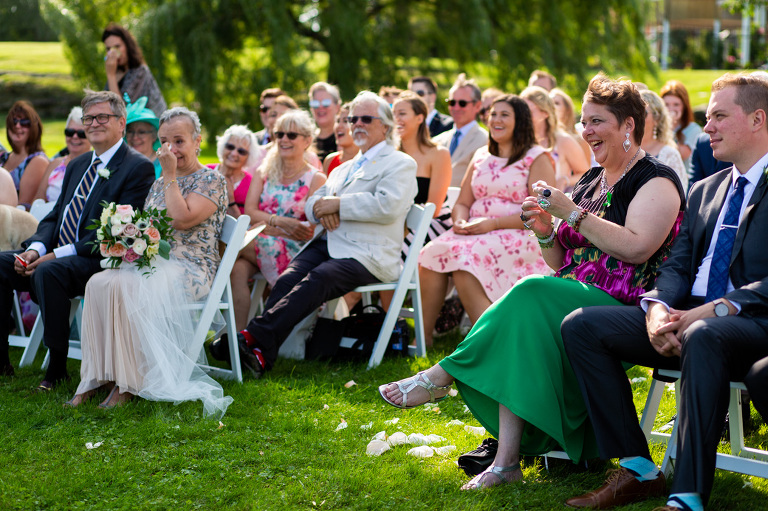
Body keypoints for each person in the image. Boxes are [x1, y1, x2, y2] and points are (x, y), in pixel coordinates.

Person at [380, 74, 685, 491]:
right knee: (524, 323)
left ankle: (442, 375)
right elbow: (560, 258)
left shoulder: (656, 179)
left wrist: (571, 213)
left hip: (626, 308)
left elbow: (637, 249)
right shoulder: (592, 181)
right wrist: (545, 230)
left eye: (597, 122)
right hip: (570, 296)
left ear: (628, 125)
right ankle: (505, 463)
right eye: (583, 121)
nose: (586, 131)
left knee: (529, 290)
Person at [562, 73, 768, 511]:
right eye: (707, 116)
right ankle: (638, 467)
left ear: (757, 119)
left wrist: (712, 310)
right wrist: (657, 309)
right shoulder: (706, 188)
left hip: (750, 323)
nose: (706, 126)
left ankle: (687, 497)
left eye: (718, 116)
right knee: (581, 325)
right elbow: (677, 265)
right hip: (684, 318)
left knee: (704, 335)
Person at [220, 91, 416, 378]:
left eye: (365, 119)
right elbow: (311, 205)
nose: (357, 124)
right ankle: (261, 355)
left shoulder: (400, 163)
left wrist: (338, 205)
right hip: (330, 242)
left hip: (368, 253)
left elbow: (387, 205)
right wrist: (325, 207)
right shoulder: (345, 167)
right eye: (353, 119)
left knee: (319, 279)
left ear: (385, 126)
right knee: (287, 278)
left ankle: (251, 338)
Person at [67, 106, 233, 416]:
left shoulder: (211, 180)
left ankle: (129, 382)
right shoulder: (159, 184)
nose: (170, 149)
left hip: (191, 268)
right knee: (99, 282)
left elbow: (182, 219)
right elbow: (150, 227)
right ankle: (98, 375)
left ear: (198, 141)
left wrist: (169, 174)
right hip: (153, 263)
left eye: (179, 141)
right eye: (164, 142)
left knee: (129, 285)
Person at [0, 90, 155, 386]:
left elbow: (117, 233)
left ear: (121, 123)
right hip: (55, 256)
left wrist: (53, 255)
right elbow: (54, 218)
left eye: (102, 117)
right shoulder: (77, 164)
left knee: (49, 270)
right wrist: (34, 249)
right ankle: (1, 360)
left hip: (100, 261)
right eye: (88, 118)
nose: (94, 123)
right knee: (2, 263)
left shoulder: (137, 168)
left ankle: (56, 368)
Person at [417, 94, 556, 348]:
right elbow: (463, 202)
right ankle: (423, 339)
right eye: (493, 114)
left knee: (465, 260)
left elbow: (541, 211)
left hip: (518, 233)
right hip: (474, 232)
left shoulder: (537, 157)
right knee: (430, 254)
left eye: (504, 115)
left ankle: (492, 342)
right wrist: (459, 221)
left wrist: (492, 224)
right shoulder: (481, 155)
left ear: (521, 121)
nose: (496, 120)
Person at [230, 110, 326, 331]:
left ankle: (199, 272)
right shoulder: (264, 172)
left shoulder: (317, 178)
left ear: (307, 141)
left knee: (234, 245)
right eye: (279, 134)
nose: (283, 139)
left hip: (297, 251)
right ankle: (238, 339)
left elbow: (308, 230)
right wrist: (280, 223)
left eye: (291, 135)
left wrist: (266, 226)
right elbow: (250, 212)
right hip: (261, 240)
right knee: (236, 269)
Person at [393, 91, 453, 251]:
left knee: (390, 249)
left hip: (431, 223)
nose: (396, 119)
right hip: (395, 223)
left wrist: (402, 228)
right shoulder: (390, 154)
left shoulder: (438, 154)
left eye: (402, 113)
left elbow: (433, 209)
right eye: (393, 114)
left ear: (420, 118)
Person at [522, 86, 589, 192]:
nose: (522, 115)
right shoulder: (520, 141)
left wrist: (565, 180)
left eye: (528, 111)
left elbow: (586, 174)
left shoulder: (563, 141)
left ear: (545, 113)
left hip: (553, 203)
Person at [434, 74, 489, 186]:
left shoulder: (485, 140)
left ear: (478, 106)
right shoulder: (438, 140)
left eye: (462, 103)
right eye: (452, 102)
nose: (456, 108)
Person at [102, 23, 166, 116]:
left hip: (150, 128)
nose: (113, 52)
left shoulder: (140, 72)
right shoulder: (115, 73)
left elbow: (123, 111)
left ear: (127, 46)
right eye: (109, 49)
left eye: (117, 46)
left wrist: (111, 76)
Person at [35, 107, 91, 202]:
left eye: (81, 133)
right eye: (70, 132)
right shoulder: (55, 164)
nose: (74, 137)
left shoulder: (94, 167)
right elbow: (38, 200)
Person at [1, 101, 48, 208]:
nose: (17, 126)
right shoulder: (3, 157)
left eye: (24, 123)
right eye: (13, 122)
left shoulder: (37, 161)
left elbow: (23, 207)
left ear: (34, 128)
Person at [207, 124, 259, 218]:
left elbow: (244, 224)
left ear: (249, 156)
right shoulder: (206, 171)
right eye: (230, 147)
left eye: (241, 151)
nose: (234, 153)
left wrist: (230, 199)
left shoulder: (251, 184)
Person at [640, 89, 687, 188]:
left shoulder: (669, 155)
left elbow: (679, 193)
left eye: (643, 113)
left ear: (657, 119)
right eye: (633, 113)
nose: (636, 118)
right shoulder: (622, 150)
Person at [660, 80, 702, 177]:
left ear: (684, 106)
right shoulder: (656, 128)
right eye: (666, 104)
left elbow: (681, 155)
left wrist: (669, 126)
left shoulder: (692, 129)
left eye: (676, 104)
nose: (670, 109)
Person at [549, 87, 593, 166]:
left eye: (556, 103)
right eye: (549, 103)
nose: (552, 106)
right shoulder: (544, 139)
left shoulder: (579, 140)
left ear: (567, 110)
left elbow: (587, 174)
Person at [124, 95, 162, 178]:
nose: (135, 137)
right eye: (130, 131)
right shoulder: (121, 163)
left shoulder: (164, 164)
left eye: (141, 132)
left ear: (154, 136)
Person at [308, 82, 341, 161]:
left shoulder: (345, 138)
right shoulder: (306, 140)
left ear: (337, 107)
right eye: (315, 103)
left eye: (326, 103)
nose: (320, 107)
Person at [322, 103, 358, 176]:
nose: (339, 126)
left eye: (345, 121)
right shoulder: (330, 160)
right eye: (338, 121)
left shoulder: (366, 160)